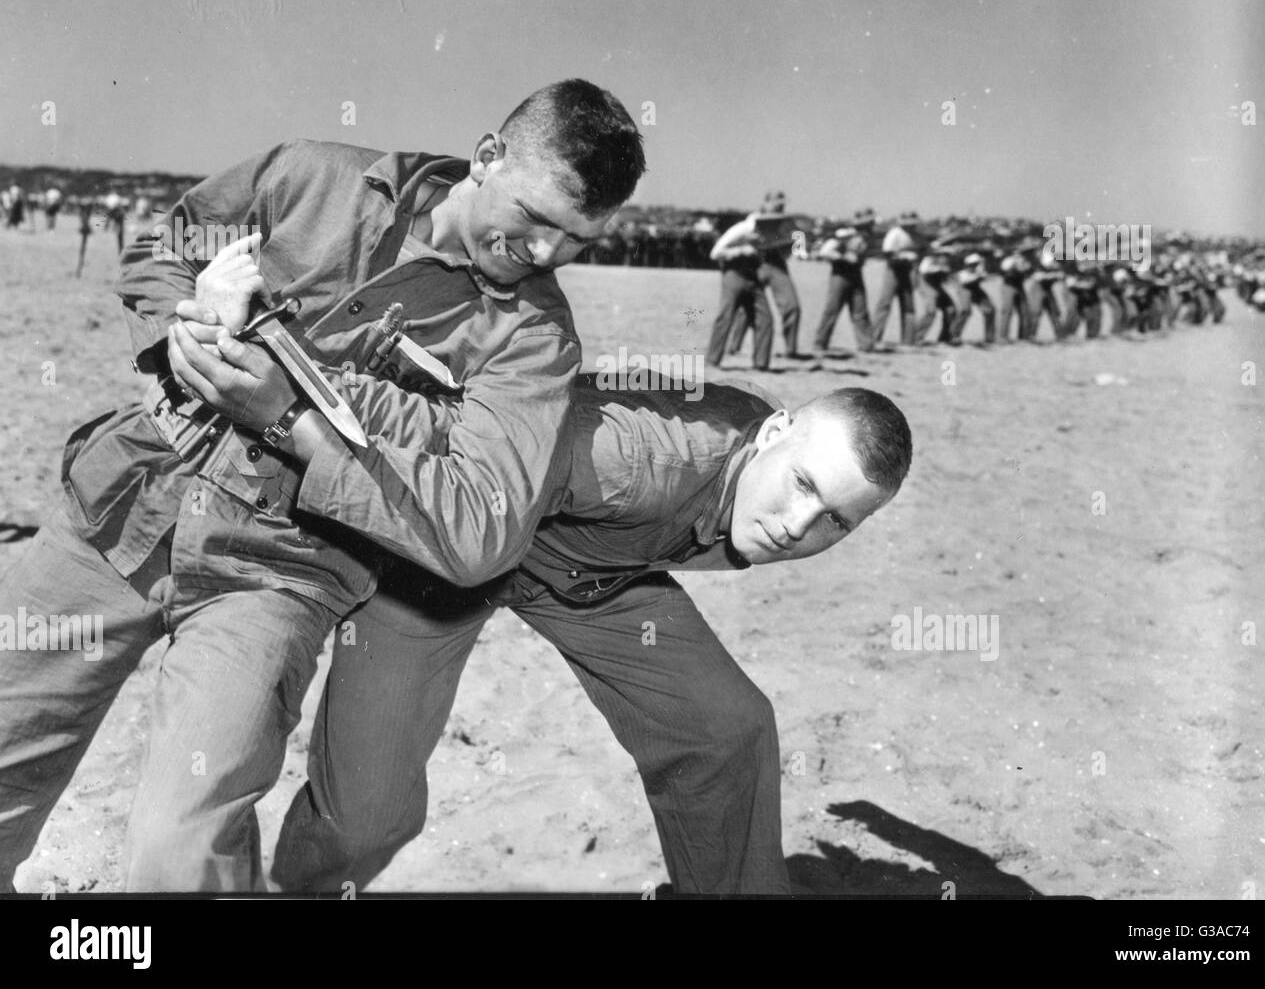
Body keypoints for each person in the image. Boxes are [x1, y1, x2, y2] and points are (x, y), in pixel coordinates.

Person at [0, 79, 646, 893]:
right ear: (487, 158)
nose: (548, 253)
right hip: (124, 505)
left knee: (178, 854)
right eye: (538, 218)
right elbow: (169, 248)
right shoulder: (310, 177)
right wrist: (180, 328)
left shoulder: (534, 342)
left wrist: (286, 422)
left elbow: (484, 526)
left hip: (275, 574)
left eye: (578, 240)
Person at [168, 364, 910, 896]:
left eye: (837, 521)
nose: (798, 526)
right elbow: (448, 442)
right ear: (776, 431)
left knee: (727, 727)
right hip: (450, 561)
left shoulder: (758, 468)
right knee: (370, 817)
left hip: (589, 567)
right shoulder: (632, 457)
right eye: (804, 486)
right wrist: (281, 403)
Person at [727, 190, 805, 360]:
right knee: (749, 306)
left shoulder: (787, 222)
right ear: (766, 203)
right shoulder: (753, 220)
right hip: (756, 263)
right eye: (777, 203)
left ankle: (790, 350)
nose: (781, 206)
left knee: (792, 306)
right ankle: (734, 345)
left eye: (782, 203)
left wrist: (794, 247)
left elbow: (798, 242)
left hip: (777, 265)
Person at [704, 209, 773, 371]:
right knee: (725, 316)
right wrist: (740, 251)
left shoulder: (766, 232)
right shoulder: (741, 229)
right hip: (734, 275)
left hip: (752, 278)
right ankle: (712, 359)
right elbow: (715, 253)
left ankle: (761, 363)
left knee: (765, 319)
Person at [811, 208, 875, 355]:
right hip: (840, 274)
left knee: (860, 310)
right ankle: (820, 343)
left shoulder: (866, 237)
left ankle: (866, 345)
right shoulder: (845, 235)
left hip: (856, 273)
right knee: (832, 309)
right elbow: (826, 251)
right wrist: (844, 257)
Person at [870, 210, 921, 348]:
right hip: (893, 270)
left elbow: (921, 250)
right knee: (885, 303)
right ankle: (875, 337)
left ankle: (908, 339)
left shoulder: (915, 236)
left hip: (908, 270)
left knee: (908, 306)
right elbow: (887, 253)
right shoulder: (895, 233)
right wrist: (903, 256)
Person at [950, 250, 997, 345]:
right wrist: (979, 276)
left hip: (976, 289)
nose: (975, 266)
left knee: (989, 310)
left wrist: (981, 272)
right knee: (965, 311)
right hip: (965, 289)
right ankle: (954, 335)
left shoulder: (978, 271)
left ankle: (989, 337)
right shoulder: (962, 274)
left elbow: (986, 276)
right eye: (974, 264)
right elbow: (965, 282)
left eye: (976, 264)